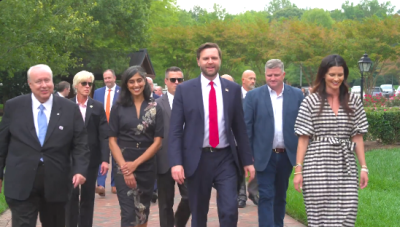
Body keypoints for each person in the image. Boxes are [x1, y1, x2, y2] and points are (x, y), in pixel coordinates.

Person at [168, 42, 255, 227]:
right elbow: (175, 130)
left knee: (230, 211)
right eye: (206, 58)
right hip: (197, 159)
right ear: (198, 61)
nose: (210, 62)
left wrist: (247, 161)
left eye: (214, 58)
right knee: (199, 213)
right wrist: (176, 163)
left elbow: (240, 128)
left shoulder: (232, 89)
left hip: (226, 159)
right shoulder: (185, 90)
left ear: (220, 61)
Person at [0, 64, 89, 227]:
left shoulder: (69, 109)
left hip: (57, 182)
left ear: (53, 82)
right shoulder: (14, 106)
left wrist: (80, 169)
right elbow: (2, 143)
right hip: (21, 181)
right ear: (30, 84)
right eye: (38, 81)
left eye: (47, 80)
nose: (44, 85)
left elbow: (81, 143)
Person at [293, 54, 369, 227]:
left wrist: (364, 167)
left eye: (340, 75)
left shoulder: (353, 101)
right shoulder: (310, 101)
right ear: (323, 75)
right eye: (332, 75)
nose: (336, 79)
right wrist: (298, 170)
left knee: (348, 210)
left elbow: (358, 136)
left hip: (345, 164)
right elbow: (303, 139)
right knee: (319, 213)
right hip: (317, 163)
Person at [244, 59, 304, 227]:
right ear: (265, 75)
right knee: (266, 195)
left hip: (287, 156)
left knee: (280, 196)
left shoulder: (297, 95)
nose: (273, 78)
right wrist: (248, 158)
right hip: (264, 156)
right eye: (269, 75)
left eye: (276, 75)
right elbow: (246, 128)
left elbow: (303, 127)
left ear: (283, 75)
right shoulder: (253, 96)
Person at [109, 66, 163, 227]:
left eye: (139, 80)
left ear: (145, 81)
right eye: (131, 81)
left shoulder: (155, 106)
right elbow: (112, 140)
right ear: (126, 84)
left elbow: (158, 141)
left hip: (146, 166)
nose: (136, 85)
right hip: (122, 164)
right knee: (128, 214)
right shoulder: (118, 107)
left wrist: (136, 164)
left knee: (142, 214)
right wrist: (126, 167)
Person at [65, 71, 109, 227]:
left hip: (91, 158)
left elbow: (103, 135)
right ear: (76, 85)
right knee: (70, 196)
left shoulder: (96, 106)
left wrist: (105, 159)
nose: (87, 86)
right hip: (70, 158)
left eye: (90, 84)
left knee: (88, 197)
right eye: (84, 83)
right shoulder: (66, 105)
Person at [156, 66, 190, 227]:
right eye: (173, 80)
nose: (176, 83)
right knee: (165, 204)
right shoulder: (156, 105)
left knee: (190, 197)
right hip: (163, 160)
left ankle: (178, 223)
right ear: (166, 81)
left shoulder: (191, 102)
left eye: (180, 80)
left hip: (187, 160)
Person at [94, 69, 120, 195]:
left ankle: (114, 184)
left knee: (116, 156)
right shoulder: (97, 93)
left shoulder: (122, 92)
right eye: (105, 78)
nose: (107, 80)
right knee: (102, 155)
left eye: (109, 77)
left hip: (117, 129)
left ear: (114, 78)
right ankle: (101, 185)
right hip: (102, 128)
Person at [238, 69, 259, 208]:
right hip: (238, 137)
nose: (252, 81)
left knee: (256, 165)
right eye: (250, 78)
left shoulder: (258, 96)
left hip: (255, 137)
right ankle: (241, 196)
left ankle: (252, 191)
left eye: (254, 79)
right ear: (243, 80)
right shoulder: (234, 96)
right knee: (240, 166)